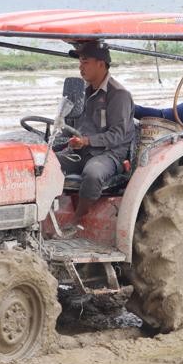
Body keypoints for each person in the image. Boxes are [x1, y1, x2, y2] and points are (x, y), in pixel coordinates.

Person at [57, 40, 136, 229]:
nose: (80, 67)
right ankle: (46, 213)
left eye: (85, 62)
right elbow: (72, 126)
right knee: (47, 162)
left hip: (109, 154)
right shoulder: (83, 93)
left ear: (101, 64)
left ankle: (78, 217)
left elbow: (117, 135)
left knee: (92, 174)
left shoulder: (118, 95)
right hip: (84, 151)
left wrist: (86, 141)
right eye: (80, 63)